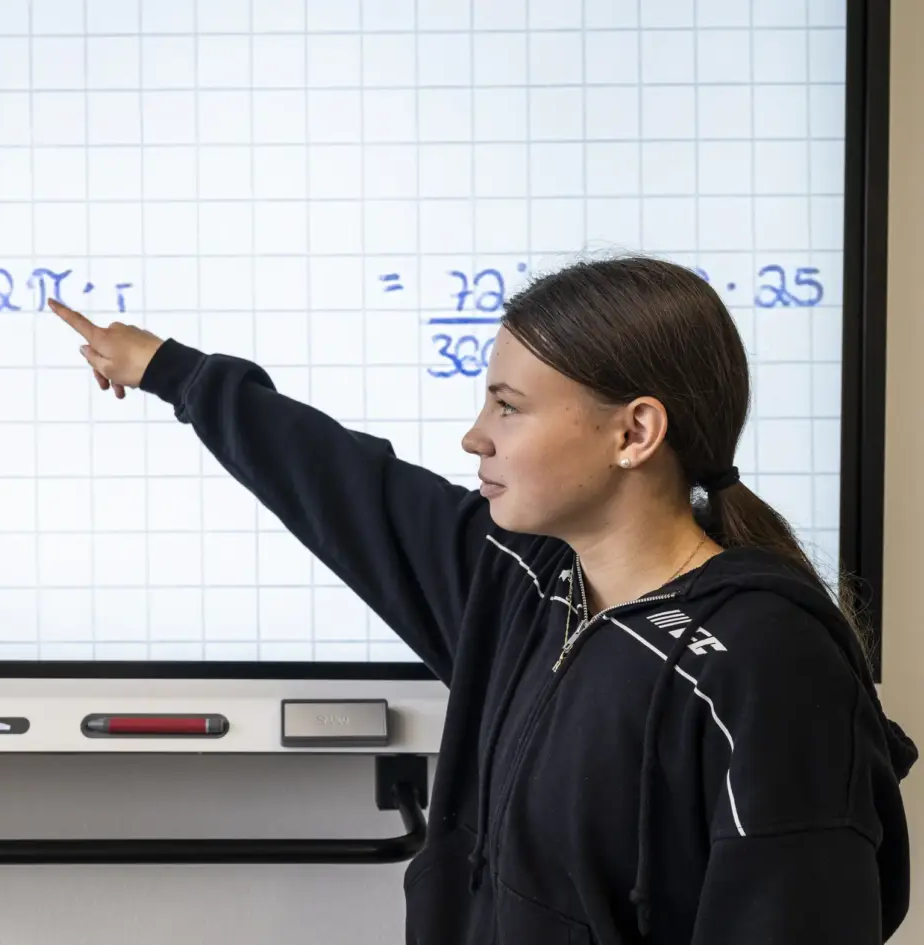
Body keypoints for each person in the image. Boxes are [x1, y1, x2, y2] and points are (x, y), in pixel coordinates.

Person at [48, 255, 917, 944]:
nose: (475, 435)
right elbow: (343, 482)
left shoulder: (765, 667)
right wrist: (170, 371)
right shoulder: (522, 583)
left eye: (508, 406)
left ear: (635, 431)